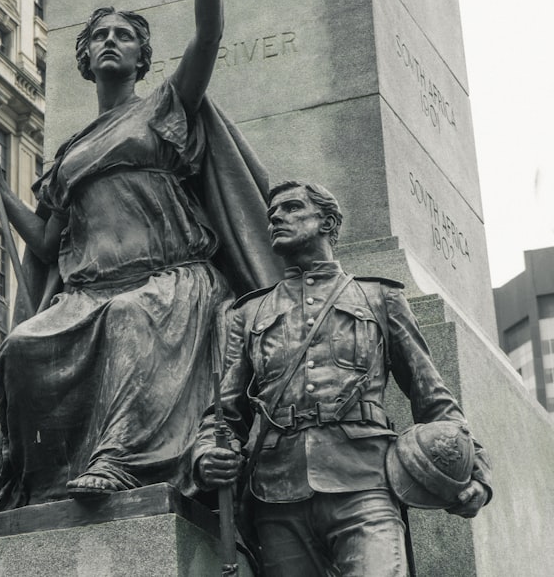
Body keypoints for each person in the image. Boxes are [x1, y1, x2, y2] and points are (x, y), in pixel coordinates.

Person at [0, 0, 281, 510]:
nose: (112, 41)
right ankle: (41, 483)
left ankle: (118, 459)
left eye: (125, 36)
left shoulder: (166, 107)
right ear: (84, 60)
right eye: (100, 37)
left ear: (143, 59)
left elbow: (210, 35)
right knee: (22, 348)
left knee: (132, 320)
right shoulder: (67, 154)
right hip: (88, 290)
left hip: (166, 282)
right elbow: (50, 242)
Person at [194, 181, 492, 576]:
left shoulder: (380, 298)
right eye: (272, 215)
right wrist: (206, 455)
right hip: (276, 493)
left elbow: (434, 399)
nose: (277, 218)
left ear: (328, 221)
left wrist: (478, 474)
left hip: (364, 484)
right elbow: (224, 414)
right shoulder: (249, 313)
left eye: (292, 208)